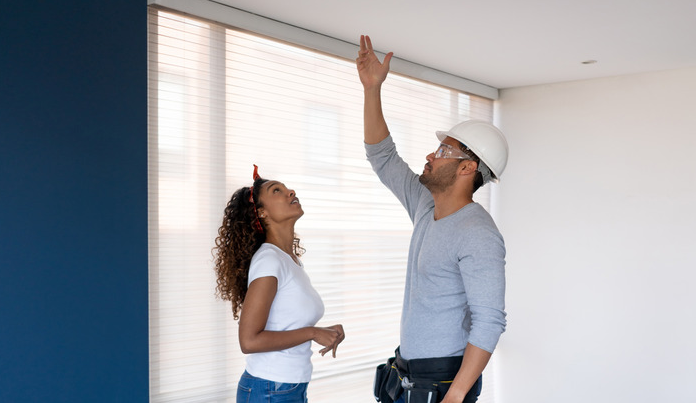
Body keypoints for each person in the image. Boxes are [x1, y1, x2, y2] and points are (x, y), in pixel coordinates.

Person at [357, 35, 508, 403]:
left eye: (443, 150)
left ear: (467, 167)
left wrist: (455, 397)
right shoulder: (427, 205)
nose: (430, 154)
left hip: (442, 379)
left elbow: (489, 323)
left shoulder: (478, 234)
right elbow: (383, 158)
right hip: (407, 370)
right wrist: (372, 89)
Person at [214, 165, 345, 403]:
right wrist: (313, 332)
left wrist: (324, 331)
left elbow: (286, 322)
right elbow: (249, 340)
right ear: (262, 213)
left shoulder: (288, 261)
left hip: (285, 388)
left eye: (287, 188)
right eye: (277, 191)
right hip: (270, 389)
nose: (290, 192)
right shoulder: (269, 260)